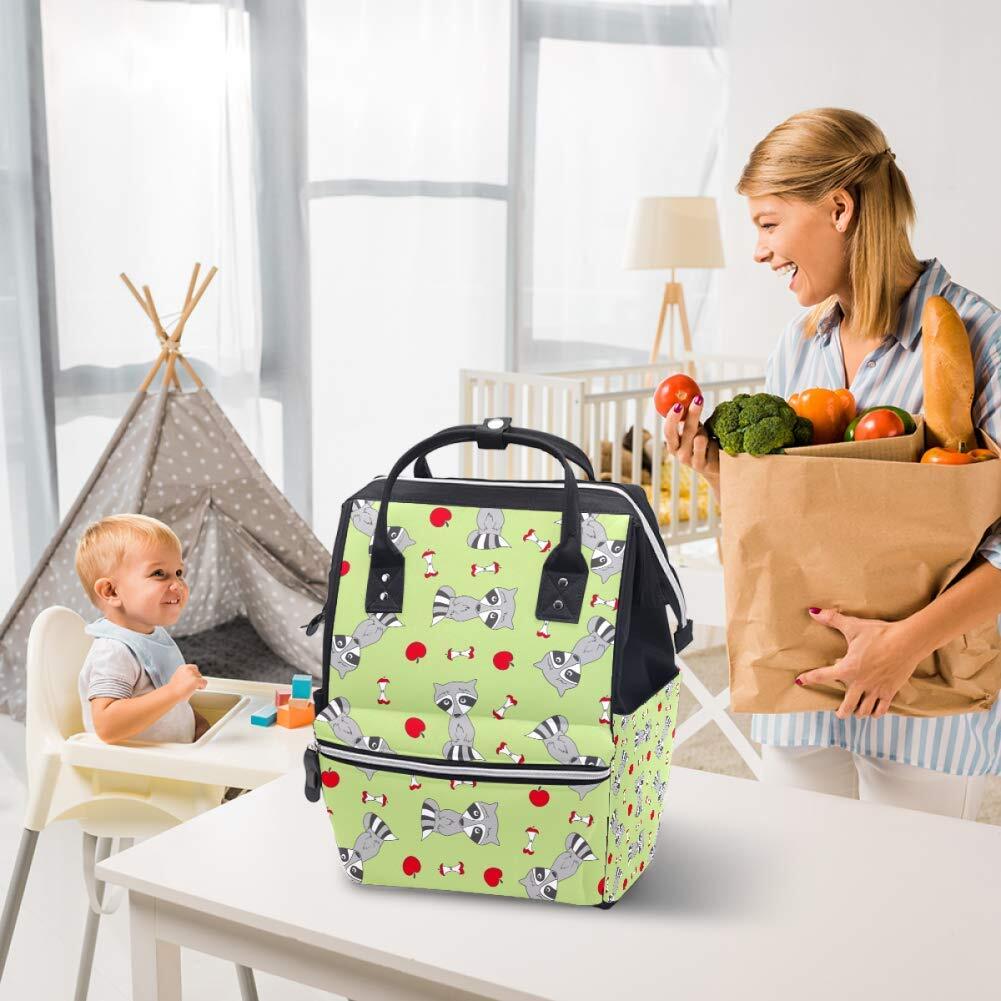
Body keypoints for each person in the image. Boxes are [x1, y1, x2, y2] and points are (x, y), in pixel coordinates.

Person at [663, 107, 1001, 820]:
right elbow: (786, 521)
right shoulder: (797, 346)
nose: (759, 252)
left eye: (768, 223)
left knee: (910, 889)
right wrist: (717, 473)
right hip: (800, 687)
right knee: (797, 878)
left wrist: (901, 646)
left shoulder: (980, 341)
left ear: (839, 209)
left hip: (925, 699)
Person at [75, 513, 209, 743]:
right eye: (159, 574)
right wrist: (173, 691)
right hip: (133, 765)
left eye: (179, 573)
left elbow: (162, 702)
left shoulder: (151, 636)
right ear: (111, 591)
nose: (177, 585)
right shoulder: (114, 651)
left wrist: (196, 723)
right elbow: (107, 726)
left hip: (174, 757)